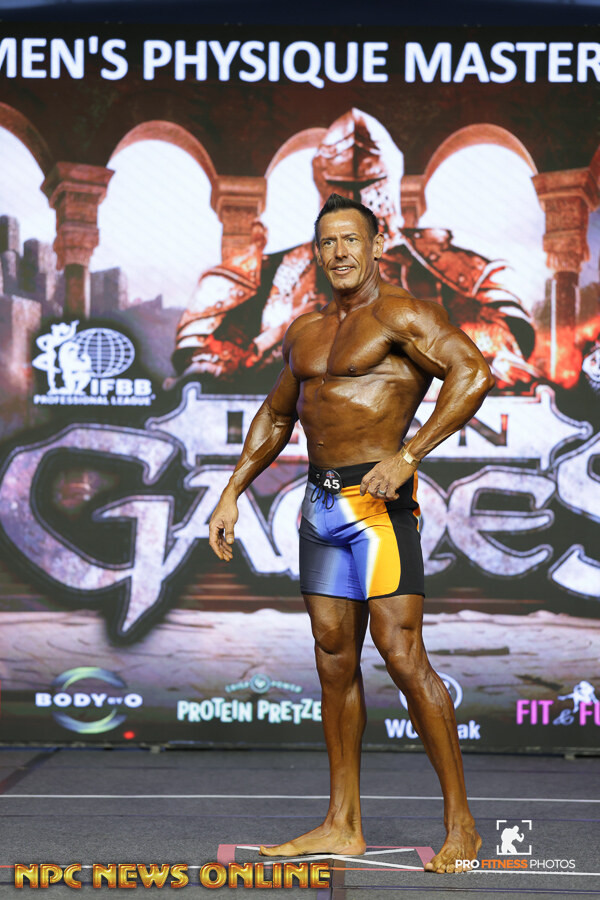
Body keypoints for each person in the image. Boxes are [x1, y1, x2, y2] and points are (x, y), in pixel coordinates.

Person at [208, 192, 494, 874]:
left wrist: (410, 454)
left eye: (350, 239)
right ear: (316, 253)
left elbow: (474, 372)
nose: (338, 252)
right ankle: (342, 824)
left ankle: (462, 826)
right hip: (321, 507)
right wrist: (231, 490)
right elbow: (278, 415)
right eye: (327, 242)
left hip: (378, 503)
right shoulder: (305, 331)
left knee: (401, 653)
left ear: (375, 246)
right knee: (334, 658)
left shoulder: (402, 314)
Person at [175, 109, 536, 391]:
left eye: (371, 183)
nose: (360, 197)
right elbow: (208, 360)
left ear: (389, 180)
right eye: (343, 185)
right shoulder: (271, 271)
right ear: (323, 183)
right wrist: (249, 350)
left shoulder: (456, 267)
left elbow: (499, 345)